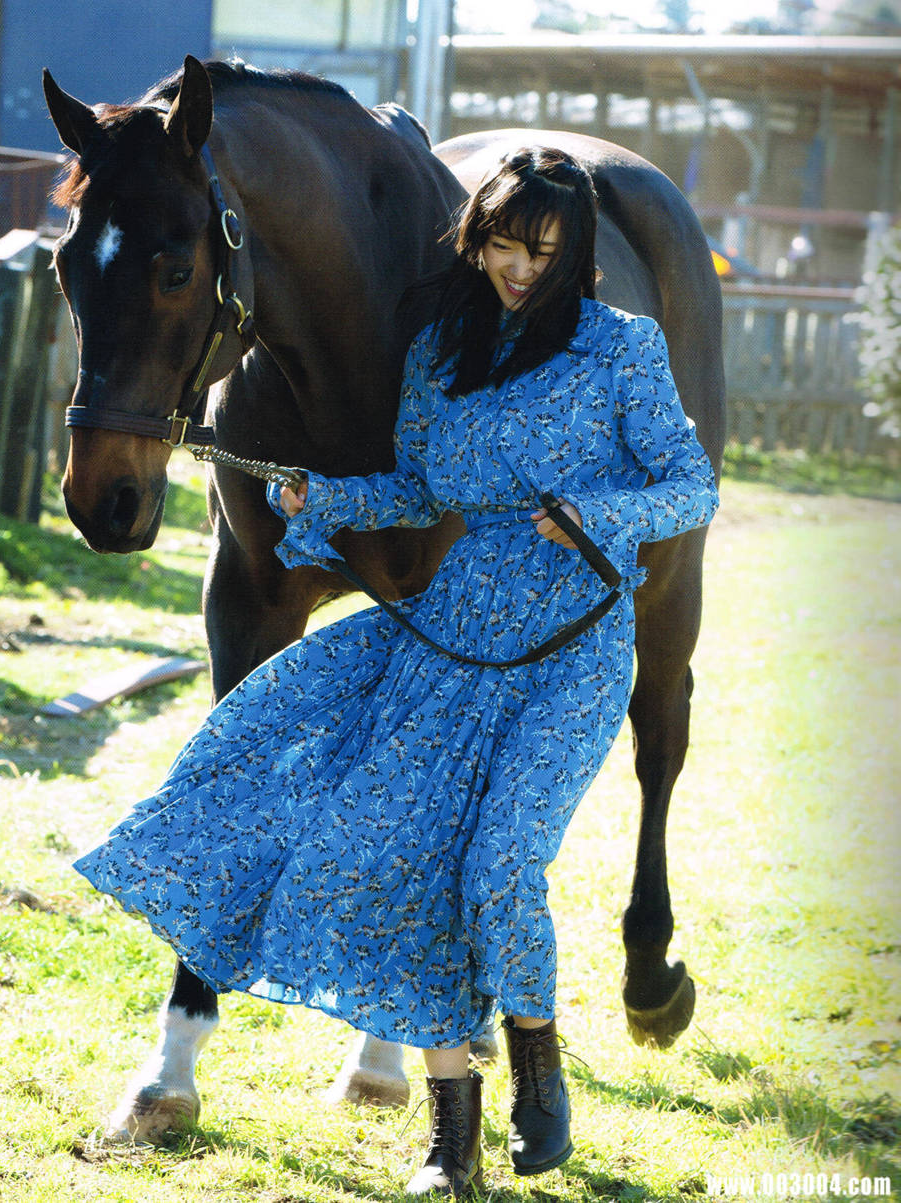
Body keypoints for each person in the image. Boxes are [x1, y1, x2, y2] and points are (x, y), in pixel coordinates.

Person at [73, 146, 719, 1197]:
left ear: (577, 255)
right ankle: (451, 1149)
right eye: (506, 245)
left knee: (500, 861)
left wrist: (598, 517)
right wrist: (316, 505)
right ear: (478, 241)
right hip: (447, 644)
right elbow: (416, 488)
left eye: (545, 253)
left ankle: (540, 1071)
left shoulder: (624, 353)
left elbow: (690, 488)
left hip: (568, 656)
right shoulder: (437, 358)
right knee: (385, 848)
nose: (520, 269)